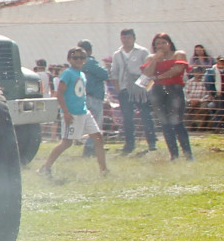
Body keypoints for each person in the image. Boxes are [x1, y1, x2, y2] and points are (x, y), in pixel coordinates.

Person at [40, 47, 109, 178]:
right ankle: (45, 168)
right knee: (67, 143)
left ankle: (104, 170)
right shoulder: (67, 73)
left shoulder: (82, 74)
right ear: (69, 59)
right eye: (75, 57)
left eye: (82, 58)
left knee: (98, 138)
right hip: (72, 113)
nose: (78, 60)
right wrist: (65, 112)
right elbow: (59, 93)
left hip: (84, 111)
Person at [144, 32, 193, 162]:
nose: (160, 46)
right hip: (158, 91)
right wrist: (155, 59)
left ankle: (188, 154)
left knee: (177, 122)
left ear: (169, 43)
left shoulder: (178, 54)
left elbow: (177, 69)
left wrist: (159, 77)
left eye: (163, 43)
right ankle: (174, 155)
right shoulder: (151, 57)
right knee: (165, 123)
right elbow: (148, 72)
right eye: (157, 44)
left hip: (174, 90)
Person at [107, 28, 156, 154]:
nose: (126, 40)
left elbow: (149, 70)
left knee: (146, 115)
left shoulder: (142, 52)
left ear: (134, 38)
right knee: (127, 117)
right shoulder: (117, 54)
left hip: (140, 88)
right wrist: (118, 89)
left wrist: (144, 87)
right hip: (124, 89)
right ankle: (129, 143)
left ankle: (151, 142)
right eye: (123, 38)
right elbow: (115, 72)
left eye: (128, 37)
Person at [77, 40, 110, 157]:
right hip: (94, 97)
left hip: (83, 96)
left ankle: (93, 146)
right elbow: (105, 74)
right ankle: (90, 148)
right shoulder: (89, 61)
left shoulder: (77, 63)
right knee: (95, 124)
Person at [188, 43, 216, 130]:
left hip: (202, 100)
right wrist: (190, 100)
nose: (197, 73)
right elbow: (185, 92)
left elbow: (208, 94)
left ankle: (199, 126)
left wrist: (199, 100)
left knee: (204, 107)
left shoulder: (206, 81)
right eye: (197, 50)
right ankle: (190, 126)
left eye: (200, 49)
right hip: (191, 100)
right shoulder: (190, 82)